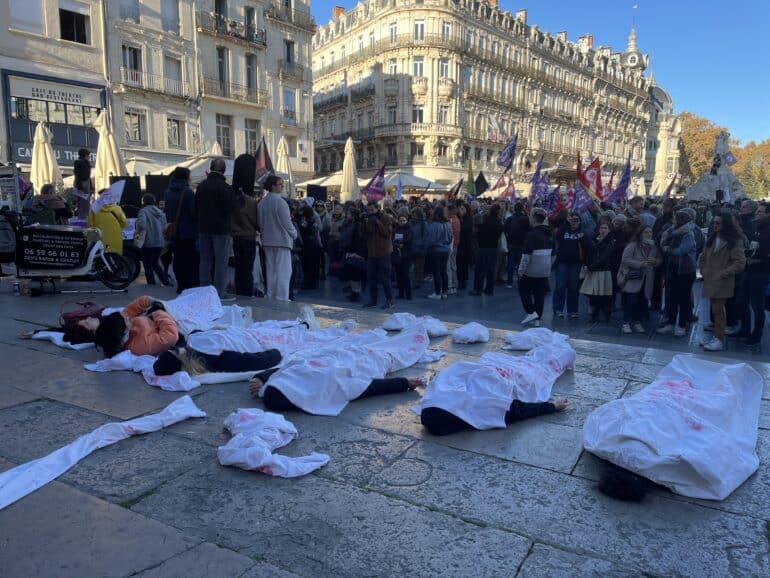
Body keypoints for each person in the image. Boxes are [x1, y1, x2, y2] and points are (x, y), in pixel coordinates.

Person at [251, 371, 423, 412]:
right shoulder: (336, 386)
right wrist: (403, 382)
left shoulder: (334, 384)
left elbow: (290, 365)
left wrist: (261, 377)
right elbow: (370, 386)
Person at [698, 213, 746, 352]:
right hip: (710, 278)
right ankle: (716, 337)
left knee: (718, 311)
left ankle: (719, 339)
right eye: (714, 223)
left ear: (726, 225)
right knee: (715, 310)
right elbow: (704, 255)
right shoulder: (713, 237)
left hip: (722, 280)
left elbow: (740, 262)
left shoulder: (734, 240)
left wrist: (724, 272)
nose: (715, 225)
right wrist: (703, 269)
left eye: (718, 223)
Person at [195, 158, 237, 300]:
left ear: (211, 168)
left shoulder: (201, 186)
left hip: (203, 228)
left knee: (204, 261)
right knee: (221, 261)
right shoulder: (225, 187)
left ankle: (203, 291)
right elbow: (231, 208)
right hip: (221, 229)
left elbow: (196, 207)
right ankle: (219, 293)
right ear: (223, 170)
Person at [93, 296, 178, 358]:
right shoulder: (139, 346)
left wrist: (147, 301)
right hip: (174, 321)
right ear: (124, 330)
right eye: (126, 320)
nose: (127, 318)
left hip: (163, 314)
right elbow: (170, 337)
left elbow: (129, 311)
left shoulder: (122, 326)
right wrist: (158, 312)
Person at [657, 210, 697, 337]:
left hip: (685, 270)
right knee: (672, 297)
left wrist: (668, 249)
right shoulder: (673, 232)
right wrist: (668, 232)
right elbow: (661, 240)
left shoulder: (688, 234)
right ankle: (670, 323)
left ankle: (682, 325)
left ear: (680, 221)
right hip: (673, 268)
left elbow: (681, 250)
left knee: (684, 299)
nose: (673, 221)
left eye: (675, 219)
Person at [257, 175, 297, 301]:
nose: (282, 186)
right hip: (282, 241)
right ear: (273, 186)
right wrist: (294, 234)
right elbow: (287, 222)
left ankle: (271, 295)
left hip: (267, 240)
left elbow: (260, 222)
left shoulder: (262, 202)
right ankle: (281, 297)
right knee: (283, 272)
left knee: (271, 271)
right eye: (280, 184)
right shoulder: (280, 202)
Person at [619, 226, 661, 334]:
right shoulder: (633, 245)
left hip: (647, 278)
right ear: (640, 233)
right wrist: (640, 264)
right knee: (631, 300)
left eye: (650, 232)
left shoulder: (654, 247)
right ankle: (626, 323)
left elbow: (660, 260)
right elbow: (625, 259)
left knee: (642, 301)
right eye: (646, 232)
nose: (649, 234)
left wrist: (655, 261)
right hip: (634, 277)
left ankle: (637, 322)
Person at [164, 167, 198, 294]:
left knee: (178, 258)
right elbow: (193, 213)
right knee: (189, 259)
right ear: (185, 177)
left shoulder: (168, 191)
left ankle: (181, 284)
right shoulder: (188, 192)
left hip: (174, 231)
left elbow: (167, 211)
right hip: (188, 232)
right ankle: (189, 285)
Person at [518, 208, 553, 326]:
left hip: (531, 269)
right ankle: (537, 319)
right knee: (539, 295)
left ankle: (530, 312)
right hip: (544, 269)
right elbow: (554, 254)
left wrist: (520, 271)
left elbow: (526, 255)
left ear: (533, 218)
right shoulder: (549, 233)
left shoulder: (532, 234)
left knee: (523, 289)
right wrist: (548, 265)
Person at [741, 202, 770, 345]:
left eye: (761, 212)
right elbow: (753, 248)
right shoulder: (757, 227)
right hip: (750, 270)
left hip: (761, 273)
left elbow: (764, 252)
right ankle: (744, 330)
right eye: (757, 211)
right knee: (742, 301)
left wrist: (754, 258)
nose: (757, 214)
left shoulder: (768, 230)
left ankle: (756, 335)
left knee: (757, 306)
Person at [231, 154, 259, 297]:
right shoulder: (249, 201)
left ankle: (239, 291)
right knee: (247, 269)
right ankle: (246, 293)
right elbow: (256, 222)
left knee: (239, 268)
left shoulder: (231, 197)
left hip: (235, 237)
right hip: (248, 237)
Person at [552, 211, 589, 319]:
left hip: (576, 263)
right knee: (560, 285)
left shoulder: (583, 232)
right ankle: (558, 309)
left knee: (574, 287)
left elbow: (587, 247)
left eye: (576, 220)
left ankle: (572, 310)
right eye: (572, 219)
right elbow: (558, 237)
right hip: (563, 262)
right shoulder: (563, 229)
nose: (574, 222)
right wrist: (566, 223)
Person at [153, 346, 282, 376]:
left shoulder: (194, 349)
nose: (176, 347)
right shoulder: (216, 359)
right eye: (174, 350)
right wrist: (278, 352)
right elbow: (259, 361)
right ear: (180, 358)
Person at [580, 221, 617, 322]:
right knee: (593, 293)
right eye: (601, 228)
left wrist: (590, 267)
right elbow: (589, 254)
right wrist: (587, 265)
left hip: (603, 271)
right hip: (593, 270)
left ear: (609, 230)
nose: (603, 230)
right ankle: (597, 313)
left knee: (602, 294)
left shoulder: (611, 241)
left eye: (605, 228)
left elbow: (604, 258)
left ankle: (603, 312)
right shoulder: (595, 239)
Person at [362, 201, 394, 308]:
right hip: (372, 252)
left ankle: (390, 301)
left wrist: (377, 222)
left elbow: (387, 233)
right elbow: (364, 234)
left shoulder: (386, 218)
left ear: (377, 209)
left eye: (372, 210)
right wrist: (362, 222)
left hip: (384, 252)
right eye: (369, 210)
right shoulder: (368, 219)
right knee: (371, 278)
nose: (370, 212)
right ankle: (373, 300)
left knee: (385, 278)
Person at [135, 194, 170, 286]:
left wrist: (137, 230)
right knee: (155, 264)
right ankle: (166, 282)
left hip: (148, 242)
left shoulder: (143, 211)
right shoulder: (160, 212)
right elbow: (165, 226)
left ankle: (151, 284)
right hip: (159, 241)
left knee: (148, 265)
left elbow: (142, 225)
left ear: (144, 202)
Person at [470, 203, 503, 296]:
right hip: (494, 248)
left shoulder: (485, 222)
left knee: (480, 270)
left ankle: (477, 289)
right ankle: (489, 289)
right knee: (491, 270)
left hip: (484, 248)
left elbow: (478, 235)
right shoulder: (499, 222)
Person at [86, 189, 127, 254]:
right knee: (114, 257)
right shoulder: (117, 208)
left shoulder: (94, 208)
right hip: (115, 237)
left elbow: (90, 224)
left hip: (99, 239)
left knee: (100, 257)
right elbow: (124, 223)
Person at [425, 206, 453, 299]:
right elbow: (450, 237)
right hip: (446, 250)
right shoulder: (448, 224)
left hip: (436, 250)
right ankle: (444, 291)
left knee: (436, 272)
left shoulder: (434, 225)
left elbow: (430, 240)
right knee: (444, 271)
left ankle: (437, 292)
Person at [504, 202, 531, 288]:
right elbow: (529, 230)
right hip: (522, 244)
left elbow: (505, 230)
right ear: (522, 208)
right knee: (520, 264)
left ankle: (509, 282)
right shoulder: (526, 219)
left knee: (510, 264)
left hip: (511, 243)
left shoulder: (510, 219)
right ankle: (520, 281)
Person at [297, 204, 322, 290]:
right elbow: (316, 231)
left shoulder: (305, 221)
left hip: (307, 245)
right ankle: (314, 283)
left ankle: (307, 283)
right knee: (314, 265)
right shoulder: (313, 221)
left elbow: (301, 229)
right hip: (315, 245)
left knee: (307, 265)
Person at [393, 210, 412, 300]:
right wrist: (397, 244)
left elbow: (409, 240)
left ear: (407, 220)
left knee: (406, 275)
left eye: (404, 220)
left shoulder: (409, 229)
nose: (402, 222)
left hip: (406, 255)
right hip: (397, 255)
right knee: (399, 275)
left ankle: (408, 294)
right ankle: (401, 293)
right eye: (400, 220)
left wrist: (402, 243)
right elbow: (392, 240)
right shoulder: (395, 229)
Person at [72, 148, 92, 217]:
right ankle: (84, 224)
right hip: (84, 190)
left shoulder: (77, 165)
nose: (89, 157)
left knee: (80, 208)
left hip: (78, 189)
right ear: (85, 156)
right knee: (85, 209)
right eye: (88, 156)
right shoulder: (84, 165)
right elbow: (85, 178)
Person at [447, 205, 461, 295]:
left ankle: (450, 285)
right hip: (455, 245)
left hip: (450, 246)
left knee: (448, 266)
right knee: (453, 265)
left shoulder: (451, 221)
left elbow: (450, 234)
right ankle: (454, 283)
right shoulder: (457, 220)